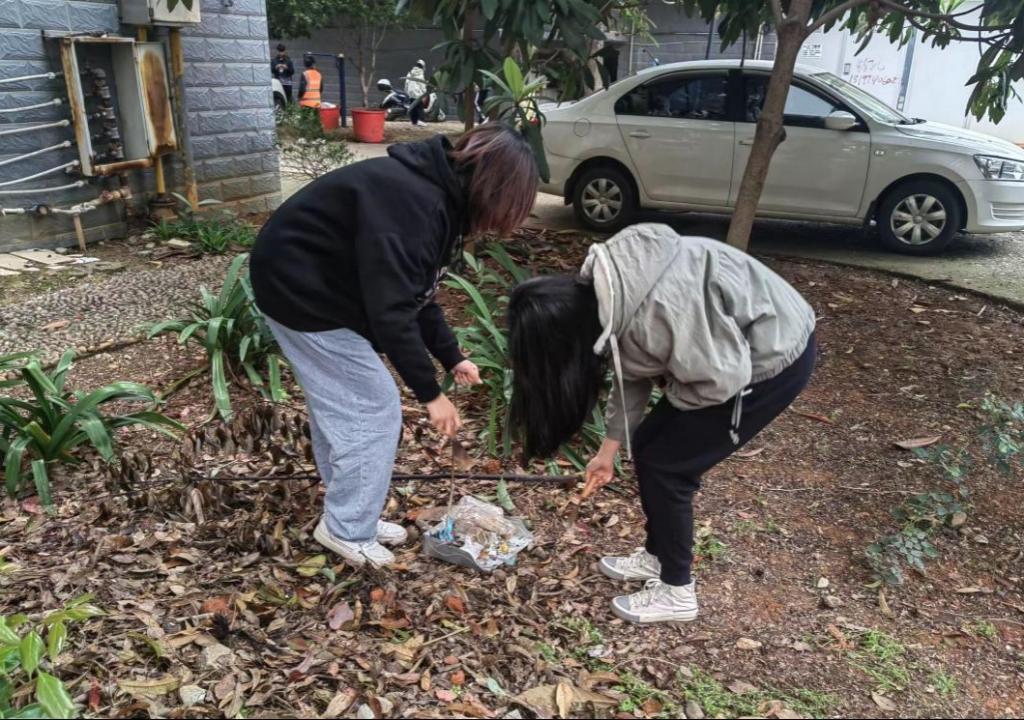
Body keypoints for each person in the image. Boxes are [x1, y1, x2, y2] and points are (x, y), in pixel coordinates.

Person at [250, 125, 539, 569]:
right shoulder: (415, 206)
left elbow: (417, 294)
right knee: (373, 407)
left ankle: (350, 512)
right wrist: (431, 395)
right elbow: (392, 313)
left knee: (346, 405)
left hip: (314, 286)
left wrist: (452, 357)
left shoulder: (437, 199)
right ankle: (347, 527)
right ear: (495, 189)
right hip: (300, 292)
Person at [507, 224, 817, 624]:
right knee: (650, 445)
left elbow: (721, 380)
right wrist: (608, 451)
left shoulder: (657, 314)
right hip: (729, 352)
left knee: (669, 466)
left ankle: (677, 590)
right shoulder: (611, 295)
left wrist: (673, 397)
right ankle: (657, 556)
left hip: (770, 361)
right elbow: (631, 367)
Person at [405, 59, 428, 126]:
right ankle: (421, 121)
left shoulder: (410, 73)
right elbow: (422, 85)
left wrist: (407, 91)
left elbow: (406, 83)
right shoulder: (420, 73)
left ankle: (414, 121)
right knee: (420, 107)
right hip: (417, 93)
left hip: (411, 93)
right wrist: (425, 93)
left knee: (413, 108)